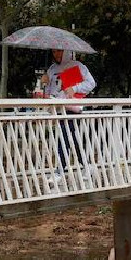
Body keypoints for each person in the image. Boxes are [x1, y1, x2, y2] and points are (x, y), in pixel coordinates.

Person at [41, 49, 96, 183]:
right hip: (58, 108)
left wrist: (75, 88)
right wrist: (44, 83)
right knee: (72, 138)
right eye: (54, 52)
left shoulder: (77, 66)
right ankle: (87, 165)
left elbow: (91, 83)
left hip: (72, 107)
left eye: (59, 51)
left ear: (66, 51)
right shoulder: (52, 69)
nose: (56, 54)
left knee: (64, 136)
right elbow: (48, 93)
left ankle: (60, 170)